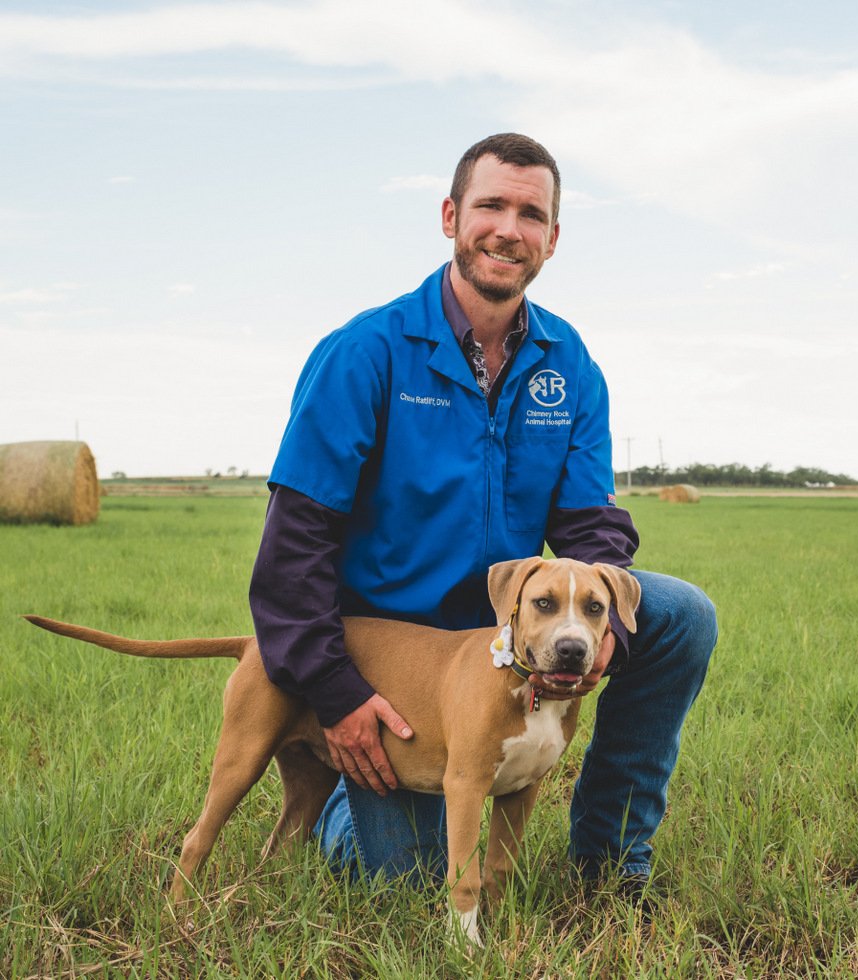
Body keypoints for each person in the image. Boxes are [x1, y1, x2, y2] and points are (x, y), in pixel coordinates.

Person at [249, 133, 717, 893]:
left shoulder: (569, 364)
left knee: (681, 616)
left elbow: (591, 524)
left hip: (512, 619)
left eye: (530, 213)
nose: (509, 228)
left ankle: (608, 862)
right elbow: (293, 552)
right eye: (490, 205)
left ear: (553, 239)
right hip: (392, 660)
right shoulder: (366, 352)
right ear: (450, 217)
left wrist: (606, 630)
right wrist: (337, 696)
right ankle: (340, 791)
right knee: (414, 875)